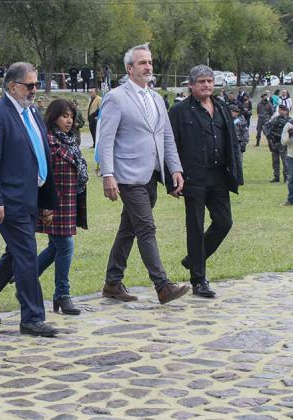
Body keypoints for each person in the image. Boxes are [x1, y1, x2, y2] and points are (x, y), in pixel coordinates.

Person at [0, 62, 58, 337]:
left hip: (31, 196)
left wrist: (45, 200)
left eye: (36, 84)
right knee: (27, 255)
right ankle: (32, 317)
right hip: (10, 199)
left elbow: (40, 155)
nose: (34, 90)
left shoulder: (32, 113)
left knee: (15, 253)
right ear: (12, 86)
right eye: (30, 85)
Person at [96, 44, 189, 305]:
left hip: (152, 175)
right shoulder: (115, 97)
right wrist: (108, 174)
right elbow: (106, 140)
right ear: (129, 68)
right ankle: (163, 285)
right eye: (142, 63)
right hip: (127, 175)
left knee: (129, 229)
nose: (148, 67)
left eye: (150, 62)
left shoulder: (157, 98)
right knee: (146, 227)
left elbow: (167, 137)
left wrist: (176, 168)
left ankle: (112, 283)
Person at [169, 65, 243, 299]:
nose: (207, 85)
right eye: (201, 81)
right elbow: (169, 146)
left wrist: (236, 172)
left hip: (219, 174)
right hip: (193, 176)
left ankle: (193, 259)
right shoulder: (179, 111)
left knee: (224, 222)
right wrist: (172, 176)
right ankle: (199, 279)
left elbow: (231, 142)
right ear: (191, 85)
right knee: (195, 227)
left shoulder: (221, 107)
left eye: (210, 81)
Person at [37, 99, 89, 315]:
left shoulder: (69, 140)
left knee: (55, 248)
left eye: (71, 116)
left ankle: (23, 276)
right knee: (65, 246)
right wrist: (44, 206)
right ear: (53, 116)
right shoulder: (48, 141)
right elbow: (42, 175)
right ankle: (62, 293)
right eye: (64, 116)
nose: (69, 121)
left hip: (69, 201)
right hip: (54, 203)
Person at [265, 105, 290, 182]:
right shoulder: (275, 119)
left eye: (282, 110)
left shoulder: (289, 120)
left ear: (286, 111)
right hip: (274, 143)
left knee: (285, 161)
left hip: (283, 144)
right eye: (279, 110)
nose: (280, 111)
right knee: (275, 161)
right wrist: (268, 135)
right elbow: (266, 127)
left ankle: (286, 177)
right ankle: (276, 177)